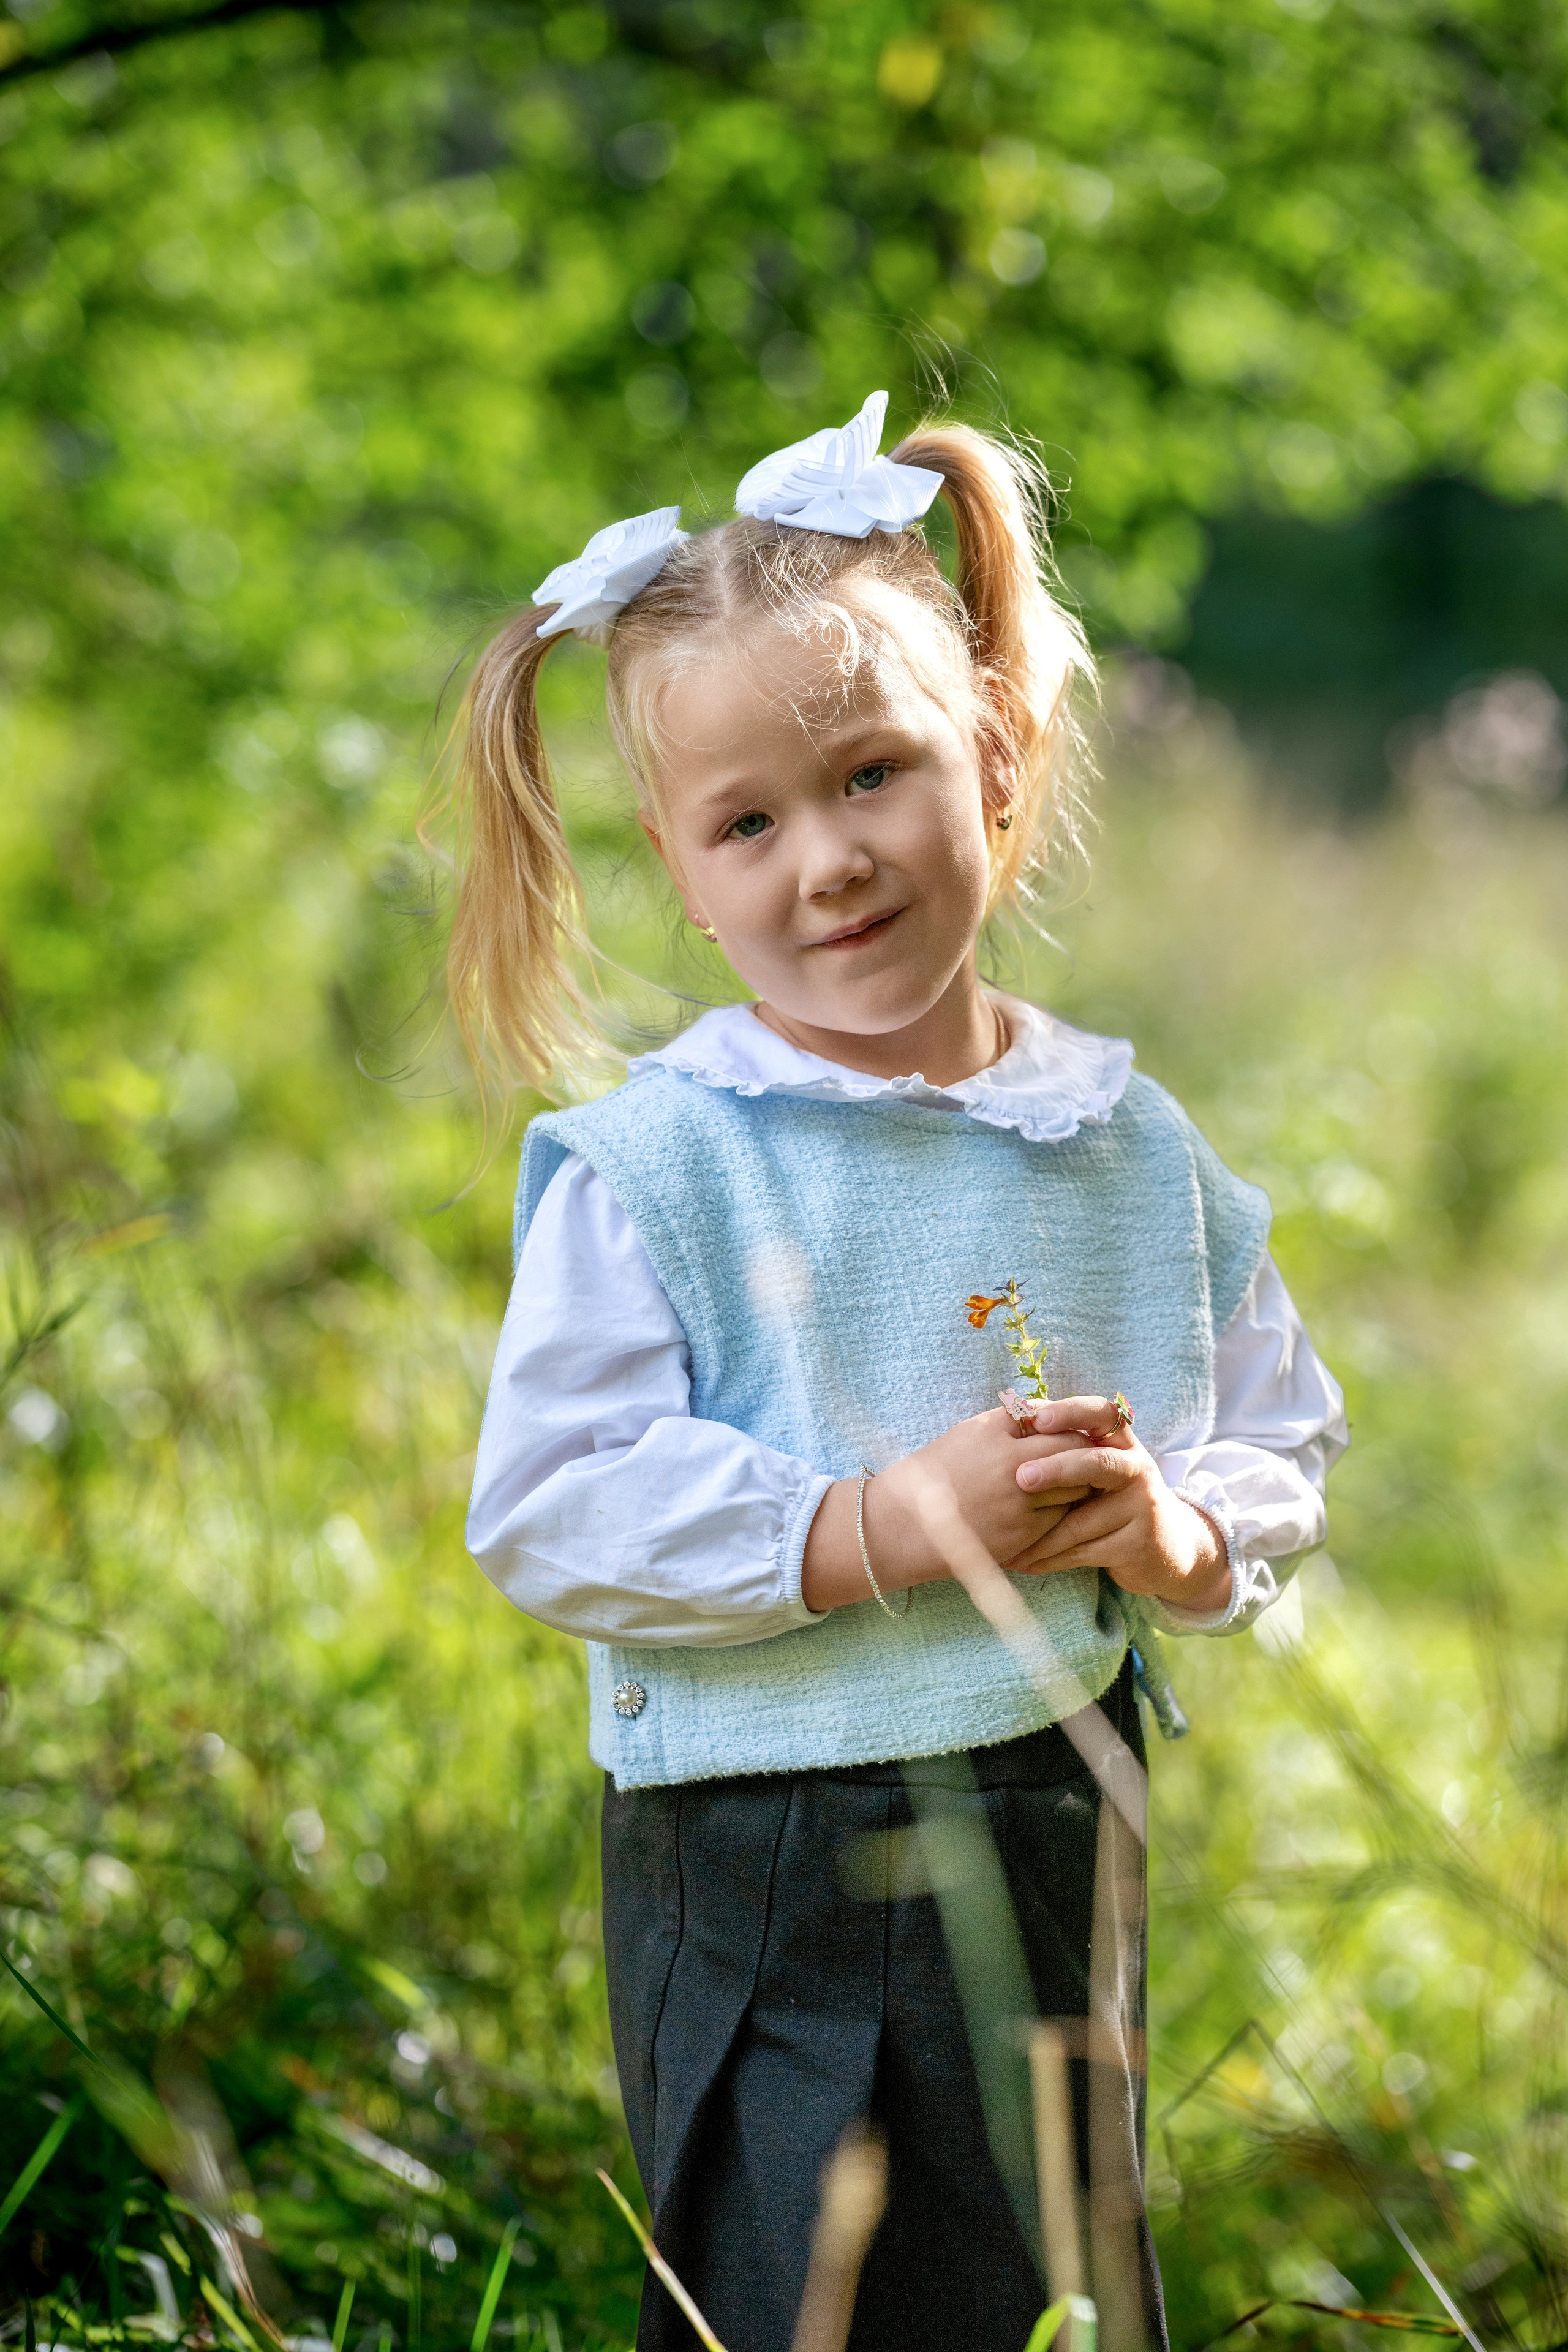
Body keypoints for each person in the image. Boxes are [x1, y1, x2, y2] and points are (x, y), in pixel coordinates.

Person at [458, 393, 1346, 2352]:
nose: (828, 860)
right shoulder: (668, 1163)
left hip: (1050, 1804)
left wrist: (1176, 1532)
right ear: (684, 880)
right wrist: (877, 1524)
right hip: (766, 1856)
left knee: (1056, 2275)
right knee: (804, 2295)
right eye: (749, 823)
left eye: (874, 775)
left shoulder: (1126, 1146)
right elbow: (550, 1504)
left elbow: (1274, 1424)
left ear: (996, 768)